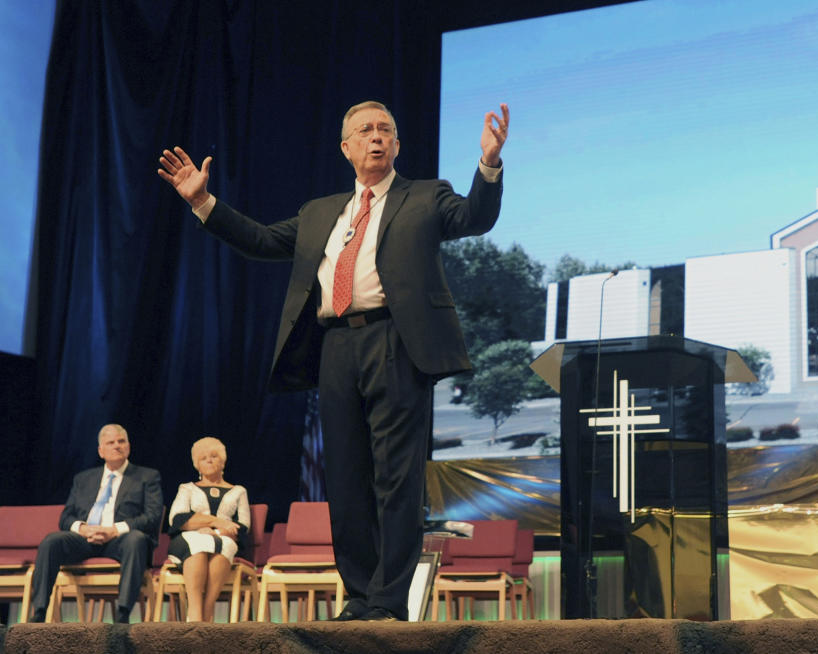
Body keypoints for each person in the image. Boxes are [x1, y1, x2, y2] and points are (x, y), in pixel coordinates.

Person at [158, 100, 509, 621]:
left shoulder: (425, 195)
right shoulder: (322, 211)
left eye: (385, 130)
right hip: (336, 347)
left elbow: (475, 218)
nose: (376, 137)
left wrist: (489, 165)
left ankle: (389, 601)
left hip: (395, 340)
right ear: (346, 148)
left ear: (396, 144)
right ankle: (361, 597)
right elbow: (259, 240)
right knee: (344, 480)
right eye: (365, 130)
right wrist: (205, 202)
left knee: (395, 478)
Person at [29, 424, 163, 623]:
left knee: (136, 539)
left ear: (129, 446)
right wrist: (82, 529)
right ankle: (39, 613)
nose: (117, 446)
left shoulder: (147, 476)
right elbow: (65, 518)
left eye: (121, 441)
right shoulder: (83, 479)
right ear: (101, 451)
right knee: (51, 541)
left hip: (121, 540)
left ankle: (123, 615)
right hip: (85, 540)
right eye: (111, 442)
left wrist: (114, 530)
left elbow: (153, 516)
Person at [167, 437, 251, 622]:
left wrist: (217, 532)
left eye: (214, 456)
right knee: (199, 543)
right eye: (204, 458)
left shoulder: (239, 491)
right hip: (188, 538)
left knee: (224, 545)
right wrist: (218, 522)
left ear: (223, 461)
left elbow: (242, 526)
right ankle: (195, 613)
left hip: (225, 539)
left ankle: (207, 610)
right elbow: (177, 520)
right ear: (197, 465)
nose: (209, 460)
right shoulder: (187, 488)